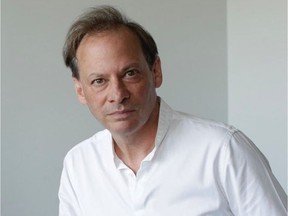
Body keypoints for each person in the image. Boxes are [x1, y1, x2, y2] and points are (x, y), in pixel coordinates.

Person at [58, 5, 287, 216]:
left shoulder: (223, 150)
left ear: (155, 71)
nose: (118, 95)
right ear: (80, 90)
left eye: (130, 73)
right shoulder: (79, 164)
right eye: (99, 81)